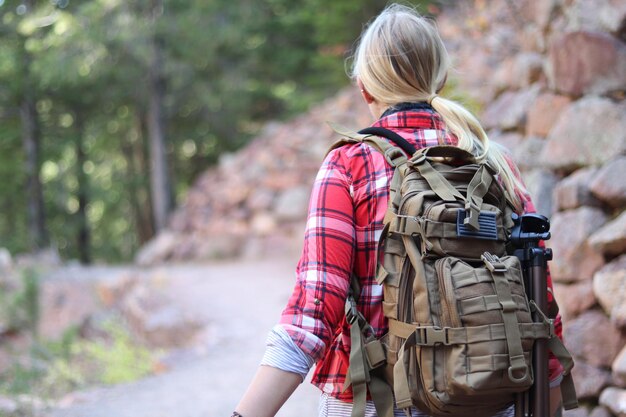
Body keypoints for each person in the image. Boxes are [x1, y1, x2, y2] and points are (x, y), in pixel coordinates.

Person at [233, 4, 564, 417]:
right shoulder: (494, 163)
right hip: (492, 395)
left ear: (364, 88)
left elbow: (316, 308)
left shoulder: (350, 164)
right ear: (440, 79)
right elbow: (538, 299)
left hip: (374, 400)